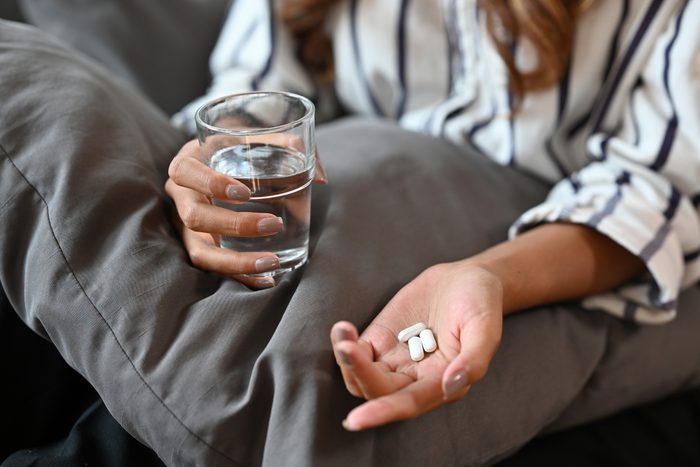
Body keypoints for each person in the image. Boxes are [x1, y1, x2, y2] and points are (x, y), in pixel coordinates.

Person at [165, 0, 700, 433]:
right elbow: (255, 85)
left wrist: (488, 276)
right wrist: (215, 158)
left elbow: (658, 188)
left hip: (550, 254)